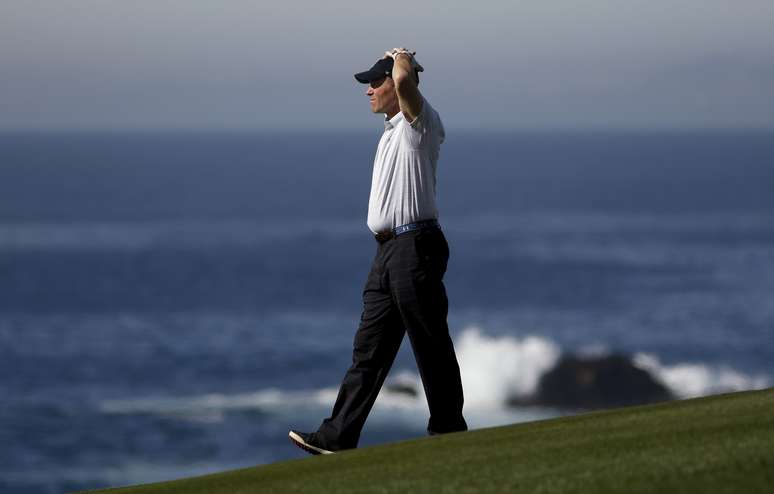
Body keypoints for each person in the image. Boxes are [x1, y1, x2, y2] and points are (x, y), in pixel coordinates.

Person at [289, 47, 468, 455]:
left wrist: (402, 56)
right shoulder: (392, 130)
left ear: (397, 84)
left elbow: (406, 81)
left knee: (429, 339)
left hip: (416, 245)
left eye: (376, 81)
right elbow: (399, 83)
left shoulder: (419, 124)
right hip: (388, 252)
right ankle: (338, 436)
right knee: (368, 348)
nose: (369, 90)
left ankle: (449, 429)